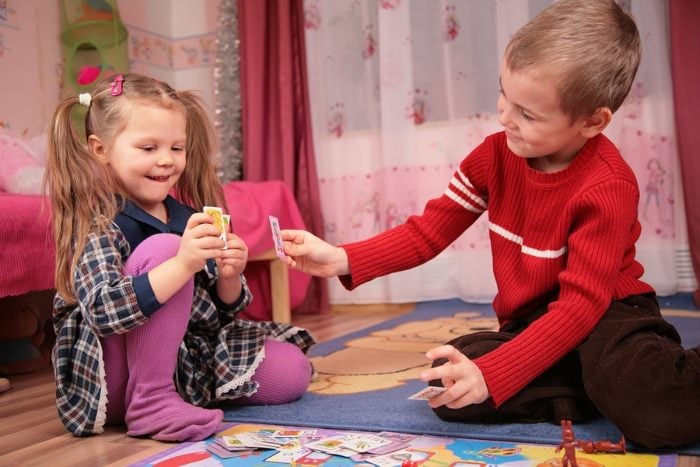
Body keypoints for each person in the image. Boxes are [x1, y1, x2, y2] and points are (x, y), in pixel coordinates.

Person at [280, 0, 700, 449]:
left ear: (592, 121)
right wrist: (341, 257)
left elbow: (580, 307)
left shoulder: (609, 185)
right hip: (532, 319)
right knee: (451, 386)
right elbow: (430, 230)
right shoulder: (493, 155)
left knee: (655, 415)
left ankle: (612, 380)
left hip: (606, 314)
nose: (504, 117)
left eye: (528, 114)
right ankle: (591, 384)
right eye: (504, 95)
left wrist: (498, 373)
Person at [45, 73, 315, 441]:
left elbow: (220, 314)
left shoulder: (187, 218)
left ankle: (170, 396)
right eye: (148, 148)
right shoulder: (97, 222)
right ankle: (150, 403)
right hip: (112, 375)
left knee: (292, 372)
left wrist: (229, 277)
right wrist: (182, 262)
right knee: (166, 249)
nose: (166, 161)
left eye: (176, 148)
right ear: (100, 149)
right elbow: (103, 311)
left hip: (181, 362)